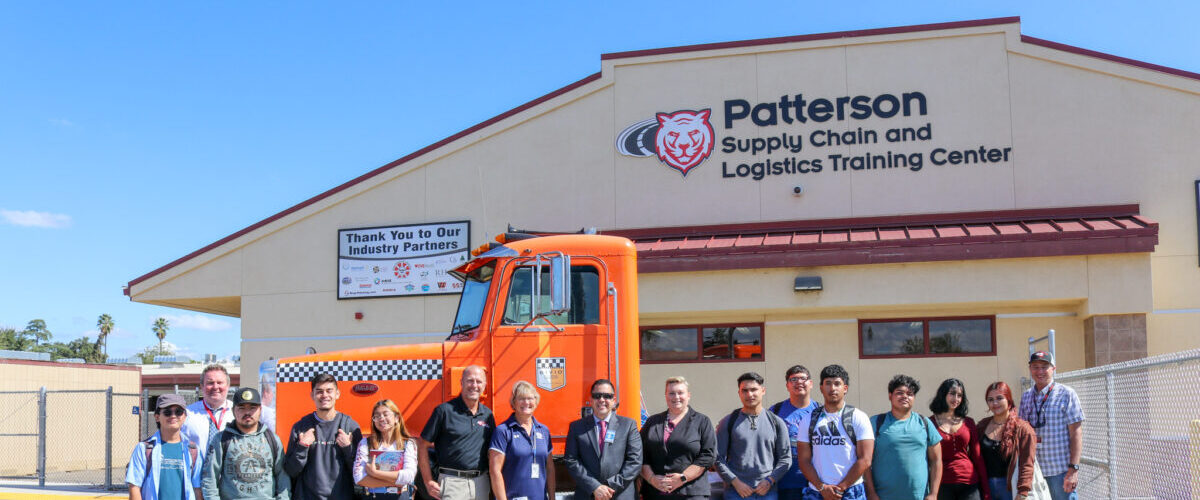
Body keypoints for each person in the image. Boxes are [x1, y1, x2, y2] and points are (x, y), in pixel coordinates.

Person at [797, 364, 874, 500]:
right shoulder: (808, 419)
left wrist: (840, 489)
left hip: (850, 491)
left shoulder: (858, 417)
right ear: (821, 388)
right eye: (828, 383)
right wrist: (822, 488)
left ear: (845, 388)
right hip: (817, 492)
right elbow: (804, 460)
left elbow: (865, 459)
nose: (832, 388)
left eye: (837, 384)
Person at [419, 365, 496, 500]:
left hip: (481, 483)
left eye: (479, 381)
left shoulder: (488, 415)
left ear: (485, 385)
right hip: (453, 483)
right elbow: (422, 445)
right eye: (470, 381)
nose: (474, 385)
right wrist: (428, 481)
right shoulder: (444, 411)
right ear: (461, 383)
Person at [284, 372, 363, 500]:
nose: (324, 395)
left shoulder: (350, 427)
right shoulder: (300, 427)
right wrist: (302, 447)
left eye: (329, 391)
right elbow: (291, 471)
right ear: (312, 395)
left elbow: (361, 472)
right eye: (319, 391)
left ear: (337, 394)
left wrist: (348, 448)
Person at [202, 387, 289, 500]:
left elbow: (283, 476)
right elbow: (210, 477)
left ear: (260, 410)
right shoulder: (221, 439)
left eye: (252, 408)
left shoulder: (272, 439)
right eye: (241, 408)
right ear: (233, 410)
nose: (247, 412)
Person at [562, 379, 643, 500]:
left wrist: (608, 487)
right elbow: (571, 460)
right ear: (591, 399)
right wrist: (594, 487)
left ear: (614, 401)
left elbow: (635, 461)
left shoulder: (628, 425)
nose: (601, 400)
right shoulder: (576, 427)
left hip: (621, 495)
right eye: (597, 396)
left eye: (607, 396)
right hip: (587, 494)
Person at [1017, 351, 1083, 500]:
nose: (1039, 371)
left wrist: (1073, 470)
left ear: (1053, 369)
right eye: (1035, 367)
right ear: (1030, 369)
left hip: (1060, 472)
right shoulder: (1026, 396)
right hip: (1035, 472)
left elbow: (1076, 433)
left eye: (1044, 367)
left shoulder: (1067, 394)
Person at [864, 375, 942, 500]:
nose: (905, 396)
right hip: (883, 497)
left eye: (910, 394)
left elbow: (936, 460)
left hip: (919, 497)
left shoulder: (925, 423)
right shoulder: (876, 422)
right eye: (899, 393)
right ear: (890, 396)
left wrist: (933, 494)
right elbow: (865, 460)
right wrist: (871, 493)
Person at [715, 372, 791, 500]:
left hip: (767, 491)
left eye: (754, 390)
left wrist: (770, 480)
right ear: (739, 393)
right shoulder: (728, 422)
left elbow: (785, 458)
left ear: (763, 391)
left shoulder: (776, 422)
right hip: (736, 492)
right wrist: (735, 482)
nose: (749, 394)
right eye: (744, 390)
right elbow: (717, 458)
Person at [640, 376, 717, 500]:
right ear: (665, 396)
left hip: (691, 492)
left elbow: (708, 456)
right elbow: (640, 454)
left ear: (688, 395)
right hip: (655, 493)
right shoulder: (652, 422)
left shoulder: (702, 421)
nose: (676, 397)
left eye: (680, 393)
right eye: (671, 393)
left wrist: (683, 478)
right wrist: (652, 479)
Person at [126, 394, 203, 500]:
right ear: (157, 417)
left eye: (179, 412)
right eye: (167, 412)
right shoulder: (144, 449)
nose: (173, 416)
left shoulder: (193, 450)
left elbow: (197, 488)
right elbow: (134, 487)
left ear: (184, 417)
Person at [488, 381, 555, 500]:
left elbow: (549, 468)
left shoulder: (543, 431)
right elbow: (495, 471)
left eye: (530, 398)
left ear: (536, 401)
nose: (526, 402)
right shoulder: (503, 431)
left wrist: (552, 497)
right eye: (521, 398)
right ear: (513, 402)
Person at [929, 379, 989, 500]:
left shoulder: (969, 422)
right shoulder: (930, 423)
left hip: (969, 482)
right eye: (952, 393)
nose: (956, 398)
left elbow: (977, 457)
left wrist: (986, 491)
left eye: (960, 395)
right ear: (943, 394)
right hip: (942, 483)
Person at [770, 366, 823, 500]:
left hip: (816, 483)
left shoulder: (821, 411)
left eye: (803, 378)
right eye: (793, 379)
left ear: (811, 384)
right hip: (785, 482)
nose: (799, 382)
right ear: (787, 385)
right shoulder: (775, 411)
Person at [977, 382, 1037, 500]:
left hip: (1010, 489)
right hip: (985, 488)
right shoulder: (981, 426)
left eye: (999, 398)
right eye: (990, 399)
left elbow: (1027, 463)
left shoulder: (1023, 428)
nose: (995, 403)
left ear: (1008, 400)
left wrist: (1022, 492)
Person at [354, 399, 418, 500]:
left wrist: (375, 474)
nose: (381, 418)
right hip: (373, 497)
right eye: (377, 416)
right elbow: (359, 478)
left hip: (400, 497)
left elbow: (409, 476)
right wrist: (395, 482)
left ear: (396, 418)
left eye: (385, 414)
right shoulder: (365, 443)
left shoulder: (408, 444)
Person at [183, 364, 234, 462]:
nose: (215, 387)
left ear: (228, 386)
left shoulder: (236, 413)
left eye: (220, 382)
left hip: (228, 475)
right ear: (202, 386)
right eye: (210, 383)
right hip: (197, 475)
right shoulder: (187, 414)